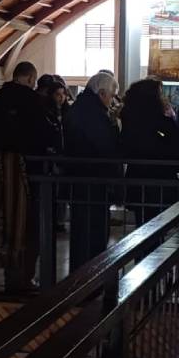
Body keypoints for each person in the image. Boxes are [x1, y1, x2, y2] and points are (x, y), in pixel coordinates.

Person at [0, 61, 57, 292]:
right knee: (29, 226)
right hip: (29, 174)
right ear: (30, 78)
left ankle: (10, 276)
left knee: (6, 223)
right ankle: (26, 277)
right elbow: (45, 134)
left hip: (0, 174)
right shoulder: (32, 100)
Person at [64, 72, 121, 270]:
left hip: (81, 180)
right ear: (102, 93)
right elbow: (105, 146)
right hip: (93, 181)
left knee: (82, 233)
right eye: (111, 96)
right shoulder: (94, 114)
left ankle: (81, 275)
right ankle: (90, 276)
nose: (112, 101)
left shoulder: (80, 108)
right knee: (93, 233)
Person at [120, 79, 179, 223]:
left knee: (141, 224)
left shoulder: (130, 122)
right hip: (162, 181)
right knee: (159, 225)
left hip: (138, 180)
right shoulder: (164, 123)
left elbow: (125, 148)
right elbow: (175, 148)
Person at [36, 75, 69, 154]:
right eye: (58, 94)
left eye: (63, 93)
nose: (61, 97)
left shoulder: (68, 111)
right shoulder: (46, 112)